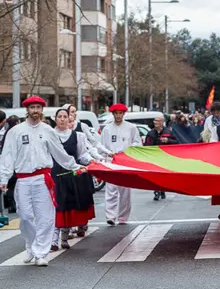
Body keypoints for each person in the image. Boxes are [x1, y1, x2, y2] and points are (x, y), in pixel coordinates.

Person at [0, 96, 85, 266]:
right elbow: (7, 155)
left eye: (38, 107)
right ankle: (31, 247)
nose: (36, 111)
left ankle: (40, 253)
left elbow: (59, 152)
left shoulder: (48, 130)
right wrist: (4, 178)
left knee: (45, 217)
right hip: (23, 180)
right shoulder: (16, 131)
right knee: (24, 217)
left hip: (42, 179)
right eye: (33, 107)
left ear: (42, 110)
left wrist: (74, 166)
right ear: (28, 110)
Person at [50, 109, 99, 250]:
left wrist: (92, 161)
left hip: (71, 175)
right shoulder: (49, 135)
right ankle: (54, 240)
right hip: (55, 175)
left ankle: (64, 238)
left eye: (65, 116)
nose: (62, 119)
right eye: (59, 116)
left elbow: (82, 154)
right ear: (55, 119)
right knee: (57, 206)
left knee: (68, 205)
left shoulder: (77, 136)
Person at [101, 103, 142, 226]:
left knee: (125, 191)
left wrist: (128, 150)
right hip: (111, 161)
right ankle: (111, 216)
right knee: (111, 190)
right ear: (112, 114)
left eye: (120, 113)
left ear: (123, 114)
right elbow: (101, 146)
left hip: (125, 162)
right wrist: (103, 159)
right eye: (116, 113)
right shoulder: (107, 129)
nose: (118, 116)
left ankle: (123, 217)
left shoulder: (131, 128)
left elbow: (137, 143)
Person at [144, 115, 178, 201]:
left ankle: (162, 189)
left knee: (162, 175)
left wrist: (168, 140)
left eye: (158, 121)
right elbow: (146, 145)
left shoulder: (168, 132)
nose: (155, 122)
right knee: (155, 175)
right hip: (154, 157)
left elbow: (176, 142)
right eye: (155, 121)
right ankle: (156, 191)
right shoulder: (150, 133)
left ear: (162, 122)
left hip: (165, 157)